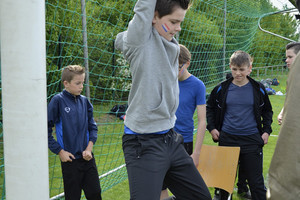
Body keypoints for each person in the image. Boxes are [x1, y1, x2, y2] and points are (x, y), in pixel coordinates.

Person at [115, 0, 211, 199]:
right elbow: (143, 9)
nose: (178, 28)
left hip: (170, 138)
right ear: (154, 16)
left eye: (180, 22)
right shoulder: (140, 41)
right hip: (143, 144)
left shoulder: (172, 45)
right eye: (174, 22)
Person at [206, 50, 273, 200]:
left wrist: (266, 131)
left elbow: (268, 111)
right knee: (224, 185)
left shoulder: (258, 88)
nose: (238, 73)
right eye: (234, 69)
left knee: (256, 184)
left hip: (251, 140)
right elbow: (209, 108)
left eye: (242, 69)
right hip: (227, 139)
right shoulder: (221, 88)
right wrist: (212, 128)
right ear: (230, 66)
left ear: (250, 68)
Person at [48, 65, 102, 200]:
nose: (81, 86)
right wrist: (60, 151)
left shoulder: (85, 101)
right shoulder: (58, 101)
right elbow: (45, 130)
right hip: (70, 160)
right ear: (66, 83)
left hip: (87, 158)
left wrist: (89, 148)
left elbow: (92, 127)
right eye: (77, 83)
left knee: (95, 194)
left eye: (83, 83)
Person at [160, 44, 207, 199]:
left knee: (186, 191)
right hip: (162, 141)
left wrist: (197, 153)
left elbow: (202, 121)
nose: (173, 70)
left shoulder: (197, 85)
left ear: (187, 63)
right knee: (161, 186)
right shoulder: (165, 81)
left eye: (177, 66)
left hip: (184, 143)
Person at [277, 41, 300, 125]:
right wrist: (282, 113)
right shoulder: (292, 77)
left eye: (290, 57)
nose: (286, 60)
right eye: (286, 57)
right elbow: (290, 99)